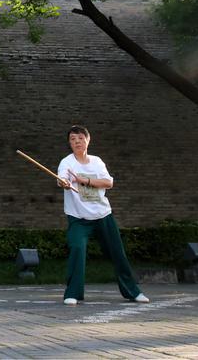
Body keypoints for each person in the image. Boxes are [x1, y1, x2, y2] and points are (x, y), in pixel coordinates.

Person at [56, 125, 149, 306]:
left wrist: (85, 181)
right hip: (78, 218)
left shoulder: (97, 162)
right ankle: (73, 293)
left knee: (117, 253)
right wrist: (64, 183)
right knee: (77, 249)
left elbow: (108, 182)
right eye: (73, 139)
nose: (77, 142)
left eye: (80, 138)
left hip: (102, 215)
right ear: (69, 143)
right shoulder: (66, 162)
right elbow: (62, 178)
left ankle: (133, 292)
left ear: (88, 140)